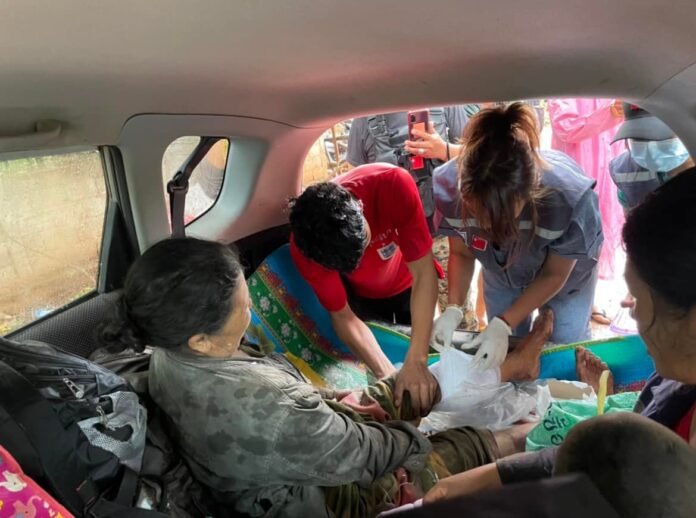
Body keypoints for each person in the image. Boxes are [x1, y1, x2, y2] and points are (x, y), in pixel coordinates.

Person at [100, 237, 551, 518]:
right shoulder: (263, 408)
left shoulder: (169, 351)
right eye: (243, 306)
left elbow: (298, 413)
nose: (251, 306)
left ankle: (512, 369)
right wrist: (415, 441)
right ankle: (544, 434)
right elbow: (366, 453)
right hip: (323, 501)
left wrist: (341, 402)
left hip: (285, 453)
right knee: (465, 443)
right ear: (200, 339)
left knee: (401, 386)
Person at [422, 167, 696, 506]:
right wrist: (487, 477)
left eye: (637, 297)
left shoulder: (568, 201)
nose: (627, 306)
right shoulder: (672, 385)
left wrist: (503, 324)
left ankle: (528, 372)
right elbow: (601, 460)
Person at [426, 102, 603, 371]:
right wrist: (453, 308)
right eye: (477, 214)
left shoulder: (568, 198)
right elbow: (461, 253)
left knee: (563, 349)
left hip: (566, 278)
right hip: (502, 269)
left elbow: (554, 274)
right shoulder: (448, 189)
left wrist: (503, 323)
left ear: (529, 194)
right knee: (503, 347)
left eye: (503, 219)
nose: (487, 226)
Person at [288, 164, 441, 416]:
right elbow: (343, 315)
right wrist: (388, 377)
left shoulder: (392, 184)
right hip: (363, 299)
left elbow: (424, 273)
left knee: (428, 352)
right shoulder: (307, 246)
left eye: (366, 242)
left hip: (410, 285)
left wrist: (417, 360)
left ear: (360, 207)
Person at [547, 99, 626, 324]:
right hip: (576, 175)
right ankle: (557, 305)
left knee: (598, 237)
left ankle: (588, 302)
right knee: (572, 239)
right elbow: (565, 127)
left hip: (606, 171)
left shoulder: (609, 89)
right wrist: (608, 113)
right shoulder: (566, 88)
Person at [610, 102, 694, 212]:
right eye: (638, 137)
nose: (650, 148)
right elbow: (630, 217)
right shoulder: (623, 170)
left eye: (662, 136)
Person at [347, 107, 470, 167]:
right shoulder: (363, 116)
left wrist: (444, 150)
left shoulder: (444, 102)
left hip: (440, 207)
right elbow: (355, 182)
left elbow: (474, 156)